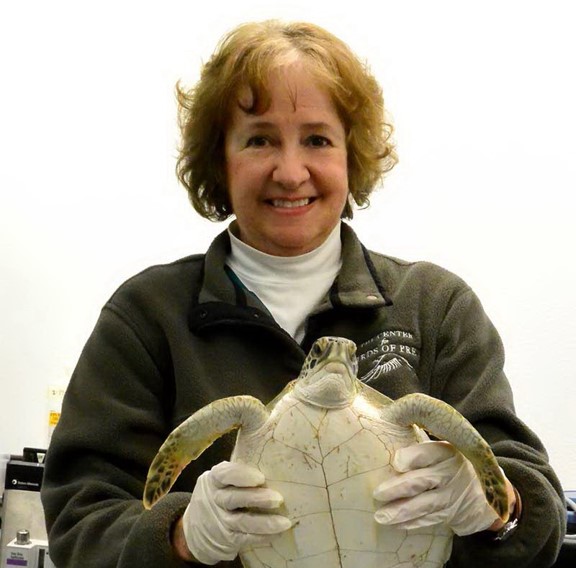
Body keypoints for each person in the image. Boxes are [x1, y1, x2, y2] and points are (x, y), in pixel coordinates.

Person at [41, 19, 566, 568]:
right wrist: (179, 535)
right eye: (260, 139)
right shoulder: (149, 316)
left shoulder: (433, 307)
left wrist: (496, 505)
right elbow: (80, 520)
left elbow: (541, 515)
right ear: (220, 158)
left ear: (350, 154)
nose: (291, 173)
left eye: (317, 139)